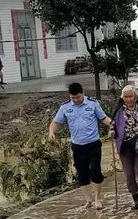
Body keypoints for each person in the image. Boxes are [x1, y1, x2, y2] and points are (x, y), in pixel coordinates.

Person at [48, 82, 112, 210]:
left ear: (83, 94)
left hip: (93, 143)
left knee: (95, 170)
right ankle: (88, 200)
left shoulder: (92, 103)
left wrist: (113, 125)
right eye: (73, 98)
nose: (76, 100)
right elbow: (55, 122)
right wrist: (51, 132)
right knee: (82, 173)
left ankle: (97, 199)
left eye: (78, 97)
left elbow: (104, 118)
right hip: (77, 145)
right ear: (70, 96)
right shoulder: (65, 107)